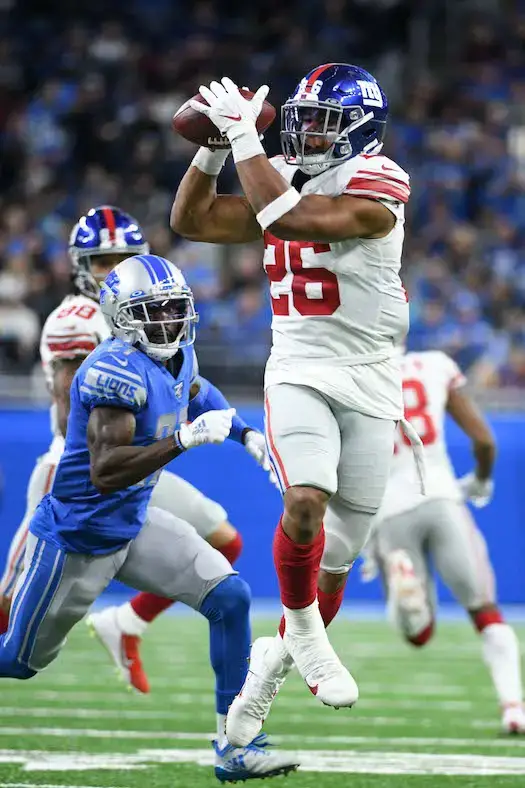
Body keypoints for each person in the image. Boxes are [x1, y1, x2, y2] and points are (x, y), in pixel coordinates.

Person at [171, 63, 419, 745]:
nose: (305, 134)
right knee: (304, 501)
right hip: (300, 367)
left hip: (369, 378)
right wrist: (215, 147)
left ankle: (262, 679)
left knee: (335, 561)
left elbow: (293, 215)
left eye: (323, 124)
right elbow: (191, 219)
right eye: (300, 119)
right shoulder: (274, 168)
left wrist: (245, 144)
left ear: (361, 131)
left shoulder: (379, 181)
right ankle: (304, 631)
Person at [0, 254, 299, 782]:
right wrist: (180, 439)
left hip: (133, 522)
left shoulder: (179, 355)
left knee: (230, 596)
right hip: (76, 537)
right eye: (152, 311)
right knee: (19, 662)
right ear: (120, 317)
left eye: (173, 309)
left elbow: (201, 395)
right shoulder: (110, 371)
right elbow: (105, 472)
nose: (167, 322)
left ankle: (234, 747)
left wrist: (245, 433)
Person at [361, 348, 525, 735]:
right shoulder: (435, 364)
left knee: (419, 634)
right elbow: (484, 442)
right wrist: (482, 480)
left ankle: (406, 593)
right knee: (485, 612)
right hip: (440, 494)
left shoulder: (356, 371)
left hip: (390, 508)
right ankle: (514, 707)